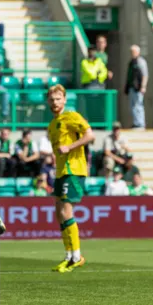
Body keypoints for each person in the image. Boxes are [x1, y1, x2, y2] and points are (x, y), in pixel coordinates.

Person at [46, 84, 95, 273]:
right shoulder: (52, 125)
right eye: (51, 100)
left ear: (64, 100)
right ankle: (68, 255)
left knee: (66, 212)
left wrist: (70, 147)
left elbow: (89, 135)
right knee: (59, 213)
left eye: (58, 99)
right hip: (60, 172)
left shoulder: (72, 116)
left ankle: (77, 256)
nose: (54, 103)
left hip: (73, 170)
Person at [124, 45, 148, 129]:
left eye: (133, 51)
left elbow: (145, 75)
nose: (132, 53)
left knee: (138, 105)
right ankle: (136, 122)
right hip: (132, 87)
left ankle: (140, 123)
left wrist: (143, 86)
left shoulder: (141, 61)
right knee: (132, 106)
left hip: (138, 87)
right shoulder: (132, 62)